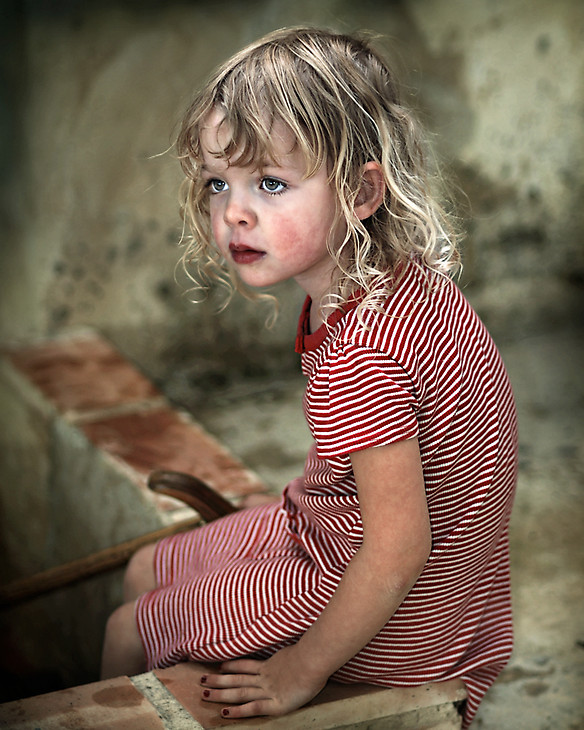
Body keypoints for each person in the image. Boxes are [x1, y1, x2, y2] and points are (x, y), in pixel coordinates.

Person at [101, 27, 517, 728]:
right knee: (146, 571)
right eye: (217, 183)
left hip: (390, 616)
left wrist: (300, 668)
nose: (233, 210)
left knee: (125, 627)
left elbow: (397, 548)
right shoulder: (402, 288)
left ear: (360, 191)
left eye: (269, 183)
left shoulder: (362, 354)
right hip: (432, 582)